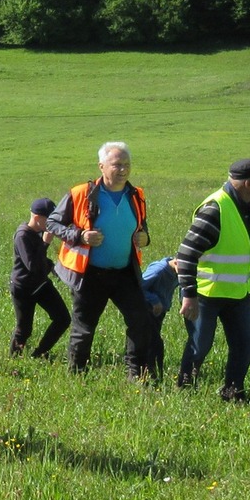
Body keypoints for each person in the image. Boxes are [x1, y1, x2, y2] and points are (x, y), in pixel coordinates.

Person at [47, 141, 156, 377]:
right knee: (84, 328)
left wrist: (145, 238)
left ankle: (136, 374)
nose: (123, 170)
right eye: (117, 165)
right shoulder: (81, 193)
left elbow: (141, 226)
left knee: (140, 320)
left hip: (125, 273)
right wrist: (80, 235)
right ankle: (78, 375)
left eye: (127, 164)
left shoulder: (136, 195)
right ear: (101, 166)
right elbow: (52, 223)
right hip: (90, 274)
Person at [174, 159, 250, 401]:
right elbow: (186, 254)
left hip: (238, 294)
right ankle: (184, 390)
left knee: (245, 346)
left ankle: (233, 393)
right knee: (199, 346)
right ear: (248, 183)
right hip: (205, 295)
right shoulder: (215, 209)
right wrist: (189, 295)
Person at [10, 197, 70, 359]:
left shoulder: (40, 232)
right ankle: (14, 359)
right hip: (23, 288)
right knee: (24, 329)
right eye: (49, 220)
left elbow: (41, 261)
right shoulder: (22, 235)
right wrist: (45, 244)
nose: (52, 224)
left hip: (41, 284)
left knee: (63, 319)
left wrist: (55, 269)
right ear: (37, 218)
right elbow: (32, 266)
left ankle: (40, 353)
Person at [137, 256, 181, 377]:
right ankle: (147, 371)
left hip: (159, 312)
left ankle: (153, 370)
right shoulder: (159, 270)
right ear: (176, 262)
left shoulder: (177, 272)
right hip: (148, 309)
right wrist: (155, 300)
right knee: (153, 342)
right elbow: (139, 287)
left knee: (153, 341)